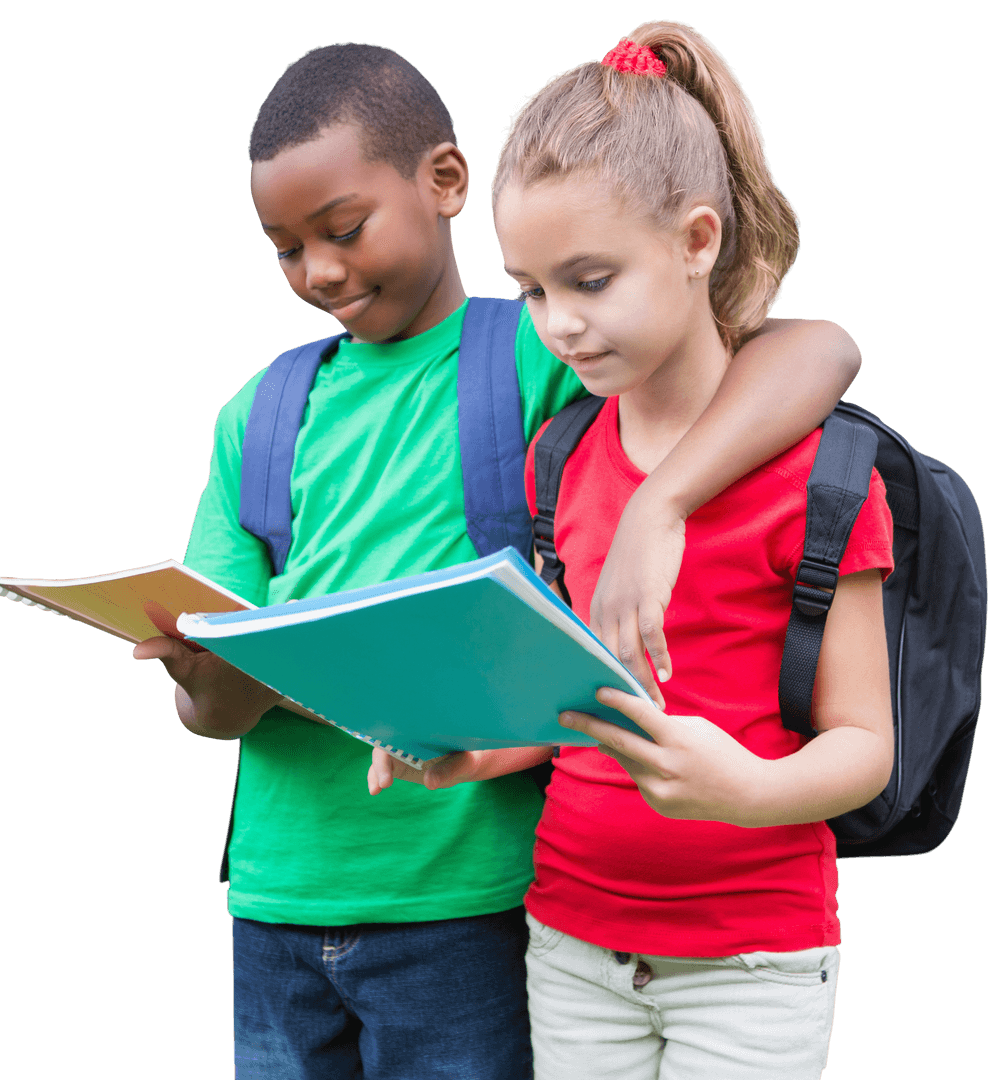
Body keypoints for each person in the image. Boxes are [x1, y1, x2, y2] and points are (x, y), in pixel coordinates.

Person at [134, 41, 865, 1080]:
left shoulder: (534, 351)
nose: (323, 270)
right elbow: (213, 710)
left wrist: (664, 502)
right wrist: (200, 678)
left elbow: (817, 350)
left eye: (342, 231)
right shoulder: (256, 415)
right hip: (273, 897)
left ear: (443, 182)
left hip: (468, 894)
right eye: (286, 249)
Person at [368, 21, 896, 1080]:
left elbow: (864, 746)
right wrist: (473, 755)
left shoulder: (825, 481)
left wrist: (743, 789)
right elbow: (575, 704)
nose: (556, 324)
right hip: (570, 940)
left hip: (753, 957)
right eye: (529, 289)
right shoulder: (556, 459)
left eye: (590, 280)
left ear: (696, 242)